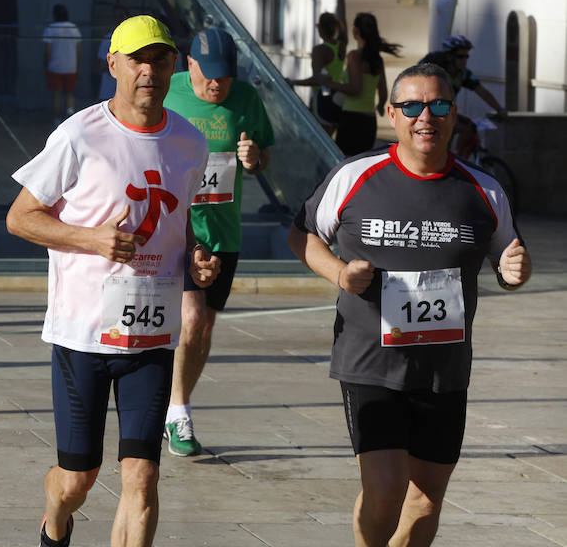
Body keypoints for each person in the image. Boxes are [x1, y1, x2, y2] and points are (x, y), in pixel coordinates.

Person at [287, 62, 532, 547]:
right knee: (385, 491)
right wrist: (339, 273)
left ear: (454, 114)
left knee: (425, 501)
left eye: (438, 105)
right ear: (391, 113)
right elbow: (303, 234)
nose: (426, 116)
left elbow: (509, 259)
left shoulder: (484, 190)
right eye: (413, 106)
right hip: (370, 363)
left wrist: (514, 273)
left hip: (444, 371)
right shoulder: (356, 175)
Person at [6, 14, 219, 547]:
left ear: (173, 66)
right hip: (83, 334)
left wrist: (195, 258)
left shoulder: (190, 143)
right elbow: (20, 218)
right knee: (77, 480)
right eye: (137, 59)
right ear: (113, 65)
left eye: (160, 59)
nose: (149, 70)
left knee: (142, 477)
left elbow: (180, 222)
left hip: (152, 334)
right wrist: (91, 240)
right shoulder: (79, 134)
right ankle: (55, 522)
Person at [161, 27, 273, 457]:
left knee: (203, 325)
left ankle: (174, 405)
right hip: (175, 227)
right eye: (208, 74)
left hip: (223, 232)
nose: (216, 84)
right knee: (189, 319)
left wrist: (254, 159)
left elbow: (263, 156)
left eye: (224, 76)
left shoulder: (246, 98)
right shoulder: (167, 92)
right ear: (189, 64)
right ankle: (176, 410)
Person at [322, 12, 400, 156]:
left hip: (351, 120)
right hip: (370, 122)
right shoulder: (377, 60)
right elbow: (383, 93)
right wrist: (379, 106)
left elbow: (355, 88)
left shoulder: (354, 56)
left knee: (345, 162)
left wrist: (331, 84)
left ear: (355, 31)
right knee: (363, 164)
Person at [420, 35, 506, 158]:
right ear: (449, 57)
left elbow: (482, 91)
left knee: (469, 127)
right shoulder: (436, 72)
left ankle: (457, 158)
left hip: (446, 111)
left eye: (466, 56)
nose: (464, 60)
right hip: (431, 112)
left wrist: (499, 109)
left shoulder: (463, 74)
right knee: (457, 129)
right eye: (460, 56)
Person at [286, 0, 348, 134]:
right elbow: (343, 17)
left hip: (322, 101)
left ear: (319, 28)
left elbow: (318, 80)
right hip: (338, 99)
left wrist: (293, 82)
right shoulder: (341, 45)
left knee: (320, 143)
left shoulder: (320, 50)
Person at [42, 4, 82, 125]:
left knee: (57, 94)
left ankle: (57, 120)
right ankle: (70, 119)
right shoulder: (74, 28)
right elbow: (78, 50)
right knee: (70, 94)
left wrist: (46, 64)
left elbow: (48, 50)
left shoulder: (50, 29)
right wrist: (77, 65)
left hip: (55, 66)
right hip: (71, 66)